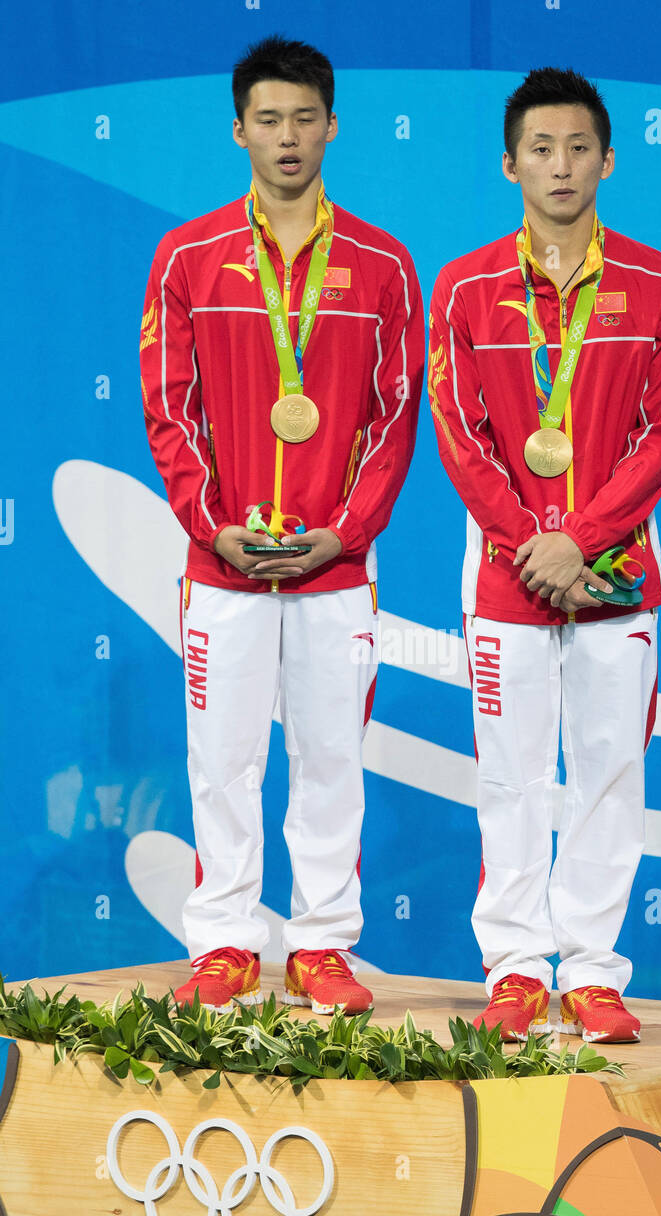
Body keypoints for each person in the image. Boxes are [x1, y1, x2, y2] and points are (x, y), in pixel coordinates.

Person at [140, 35, 424, 1013]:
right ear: (238, 131)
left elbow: (395, 414)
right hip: (222, 565)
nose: (289, 137)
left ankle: (318, 944)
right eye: (269, 119)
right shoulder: (188, 256)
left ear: (333, 126)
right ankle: (223, 937)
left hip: (334, 566)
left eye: (305, 118)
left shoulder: (383, 264)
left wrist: (345, 531)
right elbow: (169, 406)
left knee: (331, 755)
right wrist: (212, 525)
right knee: (222, 757)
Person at [428, 67, 661, 1044]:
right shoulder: (462, 288)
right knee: (508, 773)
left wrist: (575, 540)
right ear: (509, 165)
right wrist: (529, 544)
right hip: (506, 579)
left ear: (608, 160)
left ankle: (589, 970)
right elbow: (460, 437)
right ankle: (513, 967)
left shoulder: (660, 284)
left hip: (616, 578)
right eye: (540, 149)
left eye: (578, 148)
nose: (561, 166)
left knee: (608, 770)